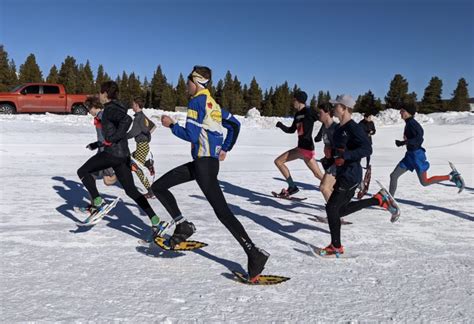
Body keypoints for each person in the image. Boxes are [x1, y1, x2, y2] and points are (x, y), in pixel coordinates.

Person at [153, 66, 269, 281]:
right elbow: (234, 124)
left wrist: (171, 125)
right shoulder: (212, 104)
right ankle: (182, 224)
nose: (186, 86)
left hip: (204, 165)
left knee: (223, 212)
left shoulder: (197, 101)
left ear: (196, 82)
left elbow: (191, 134)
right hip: (204, 163)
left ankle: (254, 253)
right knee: (158, 186)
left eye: (188, 82)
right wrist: (225, 148)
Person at [77, 81, 167, 235]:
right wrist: (97, 143)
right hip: (122, 155)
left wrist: (113, 138)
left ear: (105, 93)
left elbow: (127, 120)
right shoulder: (116, 107)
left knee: (83, 171)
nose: (99, 95)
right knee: (131, 190)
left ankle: (98, 203)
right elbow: (115, 129)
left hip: (113, 154)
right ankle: (156, 221)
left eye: (100, 92)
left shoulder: (110, 108)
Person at [320, 95, 398, 256]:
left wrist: (345, 155)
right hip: (343, 173)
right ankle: (378, 199)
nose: (334, 108)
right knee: (338, 211)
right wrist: (330, 157)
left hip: (351, 174)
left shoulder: (353, 128)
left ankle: (336, 247)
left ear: (344, 108)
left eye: (336, 106)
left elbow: (367, 149)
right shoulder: (340, 129)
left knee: (331, 208)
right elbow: (340, 151)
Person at [388, 102, 463, 197]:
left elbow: (419, 138)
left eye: (402, 111)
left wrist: (404, 142)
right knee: (393, 176)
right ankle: (391, 199)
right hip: (409, 156)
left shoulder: (412, 124)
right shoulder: (408, 123)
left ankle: (452, 176)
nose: (400, 113)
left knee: (425, 182)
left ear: (408, 113)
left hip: (417, 156)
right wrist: (405, 142)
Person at [274, 90, 323, 197]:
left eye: (294, 100)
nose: (293, 102)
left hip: (306, 147)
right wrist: (281, 125)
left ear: (299, 100)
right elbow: (291, 130)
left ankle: (292, 186)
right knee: (317, 174)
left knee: (278, 161)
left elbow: (324, 120)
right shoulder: (297, 114)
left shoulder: (309, 111)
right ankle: (335, 186)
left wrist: (320, 135)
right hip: (303, 147)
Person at [84, 95, 117, 187]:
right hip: (101, 149)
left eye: (89, 108)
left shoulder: (103, 116)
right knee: (91, 174)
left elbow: (111, 131)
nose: (88, 111)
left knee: (105, 178)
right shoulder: (99, 116)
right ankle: (95, 199)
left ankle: (119, 173)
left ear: (94, 107)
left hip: (106, 151)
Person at [127, 96, 156, 198]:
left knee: (136, 168)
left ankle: (150, 191)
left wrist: (121, 137)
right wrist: (147, 135)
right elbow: (153, 126)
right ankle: (148, 164)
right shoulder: (143, 116)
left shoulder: (138, 118)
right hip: (144, 146)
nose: (132, 106)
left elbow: (133, 132)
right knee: (128, 158)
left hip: (141, 146)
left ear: (136, 105)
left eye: (133, 104)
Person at [314, 102, 338, 202]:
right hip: (330, 162)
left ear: (327, 113)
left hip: (338, 163)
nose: (318, 115)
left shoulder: (336, 128)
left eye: (320, 113)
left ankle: (335, 215)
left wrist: (331, 151)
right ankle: (336, 211)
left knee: (324, 187)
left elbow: (344, 148)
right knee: (331, 189)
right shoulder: (324, 127)